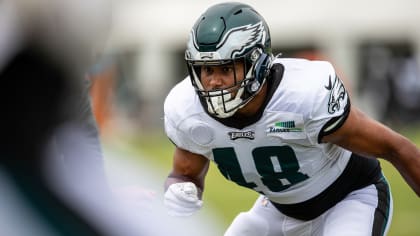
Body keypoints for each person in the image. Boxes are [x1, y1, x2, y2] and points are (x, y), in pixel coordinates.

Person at [163, 2, 420, 236]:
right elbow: (185, 175)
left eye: (226, 69)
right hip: (278, 209)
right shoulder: (188, 110)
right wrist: (179, 190)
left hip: (349, 199)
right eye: (206, 69)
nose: (213, 82)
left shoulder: (303, 97)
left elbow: (395, 147)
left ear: (257, 63)